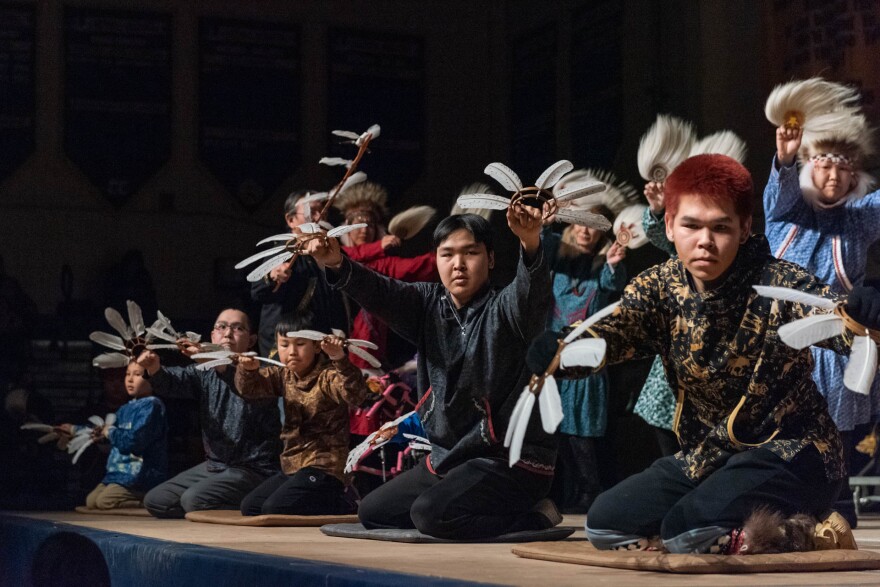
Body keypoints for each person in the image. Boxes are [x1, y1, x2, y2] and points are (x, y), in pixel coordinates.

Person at [528, 154, 880, 554]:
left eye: (720, 227)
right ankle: (714, 526)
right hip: (712, 453)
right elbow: (615, 330)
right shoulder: (659, 287)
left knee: (684, 528)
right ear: (669, 226)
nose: (705, 241)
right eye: (691, 225)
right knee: (606, 522)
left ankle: (806, 531)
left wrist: (863, 316)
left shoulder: (778, 282)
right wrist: (563, 349)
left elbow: (833, 316)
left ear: (745, 227)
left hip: (796, 451)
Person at [307, 205, 558, 540]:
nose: (458, 264)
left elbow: (532, 294)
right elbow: (381, 291)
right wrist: (336, 262)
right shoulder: (427, 304)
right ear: (436, 259)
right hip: (449, 458)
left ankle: (534, 517)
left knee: (429, 514)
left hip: (506, 460)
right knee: (373, 511)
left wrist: (529, 243)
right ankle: (458, 506)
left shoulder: (507, 308)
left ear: (491, 259)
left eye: (471, 253)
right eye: (447, 254)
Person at [765, 86, 880, 525]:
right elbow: (780, 191)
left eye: (842, 168)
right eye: (824, 164)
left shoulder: (859, 218)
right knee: (784, 429)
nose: (833, 176)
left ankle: (838, 504)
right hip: (787, 341)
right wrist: (788, 158)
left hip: (838, 341)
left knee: (839, 430)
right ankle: (783, 501)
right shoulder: (785, 214)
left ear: (854, 177)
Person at [139, 308, 281, 519]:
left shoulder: (261, 373)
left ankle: (251, 502)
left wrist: (213, 362)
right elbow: (173, 382)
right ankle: (211, 501)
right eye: (221, 327)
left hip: (253, 469)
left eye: (237, 328)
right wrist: (154, 369)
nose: (227, 333)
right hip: (215, 467)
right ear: (213, 335)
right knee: (156, 500)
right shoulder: (205, 372)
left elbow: (240, 383)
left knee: (193, 500)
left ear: (251, 340)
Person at [541, 180, 628, 513]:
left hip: (586, 360)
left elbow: (612, 285)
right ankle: (575, 493)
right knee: (559, 431)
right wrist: (546, 223)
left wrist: (614, 263)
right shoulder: (559, 259)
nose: (584, 231)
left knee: (581, 432)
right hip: (555, 359)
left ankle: (591, 492)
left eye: (592, 226)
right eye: (579, 223)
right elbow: (539, 247)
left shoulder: (605, 263)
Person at [235, 313, 368, 515]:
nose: (292, 352)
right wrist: (248, 370)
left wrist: (339, 358)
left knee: (274, 508)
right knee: (250, 507)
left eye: (300, 344)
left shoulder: (328, 376)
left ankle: (345, 501)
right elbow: (250, 390)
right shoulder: (283, 374)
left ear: (316, 347)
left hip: (325, 468)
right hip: (293, 467)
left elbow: (355, 395)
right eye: (284, 344)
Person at [333, 181, 438, 370]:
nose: (364, 229)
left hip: (367, 358)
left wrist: (448, 252)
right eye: (358, 224)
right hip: (328, 349)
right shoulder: (336, 255)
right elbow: (342, 257)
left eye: (370, 225)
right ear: (345, 228)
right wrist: (379, 246)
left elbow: (417, 267)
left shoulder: (381, 265)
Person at [251, 191, 351, 357]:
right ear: (291, 220)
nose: (319, 217)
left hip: (324, 348)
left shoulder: (333, 252)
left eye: (323, 211)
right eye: (311, 212)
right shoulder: (283, 250)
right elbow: (258, 292)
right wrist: (272, 276)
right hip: (287, 349)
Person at [59, 361, 167, 510]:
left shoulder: (151, 405)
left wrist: (109, 431)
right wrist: (74, 430)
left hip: (138, 475)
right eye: (127, 374)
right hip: (118, 473)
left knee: (104, 502)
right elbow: (105, 431)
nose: (129, 379)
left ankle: (148, 502)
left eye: (137, 375)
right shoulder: (125, 408)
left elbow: (134, 440)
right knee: (91, 501)